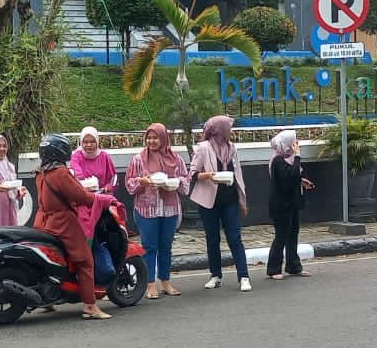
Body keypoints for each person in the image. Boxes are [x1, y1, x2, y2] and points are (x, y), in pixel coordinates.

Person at [34, 133, 109, 320]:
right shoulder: (60, 172)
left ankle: (48, 300)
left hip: (42, 221)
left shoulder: (40, 172)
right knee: (85, 261)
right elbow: (80, 196)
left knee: (51, 260)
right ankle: (90, 305)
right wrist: (101, 199)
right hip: (62, 222)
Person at [188, 115, 251, 292]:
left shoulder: (232, 148)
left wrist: (242, 200)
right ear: (220, 130)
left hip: (230, 200)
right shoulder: (203, 148)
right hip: (209, 201)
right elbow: (192, 174)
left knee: (234, 237)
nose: (230, 131)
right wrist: (208, 176)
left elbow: (238, 174)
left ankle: (244, 276)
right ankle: (215, 275)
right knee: (213, 238)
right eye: (228, 128)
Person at [125, 123, 187, 299]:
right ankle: (150, 283)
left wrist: (176, 183)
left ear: (164, 139)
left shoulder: (176, 159)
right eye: (149, 138)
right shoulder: (138, 159)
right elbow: (129, 183)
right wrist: (142, 181)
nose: (151, 141)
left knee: (166, 247)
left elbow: (185, 179)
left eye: (155, 138)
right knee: (149, 247)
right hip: (147, 210)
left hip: (169, 209)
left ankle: (165, 281)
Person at [266, 130, 315, 280]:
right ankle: (274, 268)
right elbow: (289, 176)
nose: (296, 144)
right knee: (281, 236)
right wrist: (298, 156)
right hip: (281, 205)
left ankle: (293, 266)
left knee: (293, 234)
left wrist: (302, 180)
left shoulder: (290, 159)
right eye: (293, 142)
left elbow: (295, 175)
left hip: (293, 202)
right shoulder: (278, 160)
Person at [70, 127, 117, 194]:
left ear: (97, 142)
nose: (89, 145)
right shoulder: (76, 157)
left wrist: (107, 188)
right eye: (85, 142)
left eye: (92, 142)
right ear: (81, 143)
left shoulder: (104, 156)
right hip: (83, 195)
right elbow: (78, 176)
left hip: (103, 195)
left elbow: (113, 178)